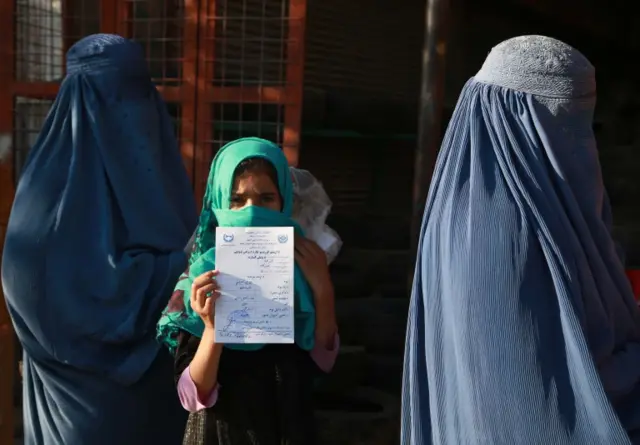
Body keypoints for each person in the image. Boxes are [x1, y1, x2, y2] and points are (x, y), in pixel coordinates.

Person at [401, 35, 640, 445]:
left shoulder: (551, 210)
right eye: (563, 123)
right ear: (520, 127)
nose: (581, 145)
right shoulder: (499, 235)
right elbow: (549, 404)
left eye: (585, 124)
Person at [1, 34, 197, 444]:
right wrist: (186, 266)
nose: (135, 112)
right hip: (76, 414)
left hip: (167, 411)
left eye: (140, 94)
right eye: (120, 97)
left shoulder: (156, 183)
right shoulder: (46, 204)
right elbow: (35, 287)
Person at [157, 137, 339, 445]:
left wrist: (322, 289)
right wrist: (214, 328)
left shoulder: (304, 266)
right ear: (218, 204)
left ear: (285, 203)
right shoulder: (202, 277)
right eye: (237, 201)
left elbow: (322, 362)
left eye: (266, 198)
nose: (251, 212)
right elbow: (192, 396)